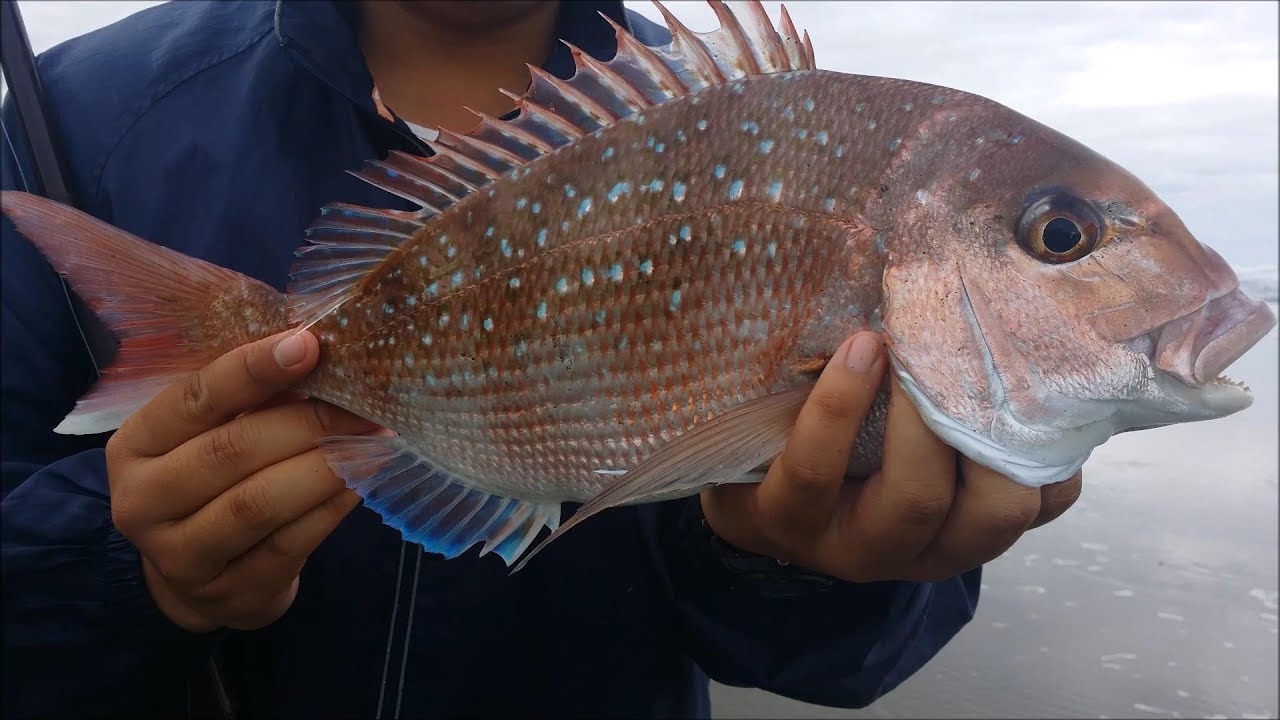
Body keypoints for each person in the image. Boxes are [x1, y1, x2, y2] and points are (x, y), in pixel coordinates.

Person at [0, 1, 1081, 717]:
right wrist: (123, 567)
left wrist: (802, 561)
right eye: (1059, 240)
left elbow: (834, 660)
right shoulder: (77, 119)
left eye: (1060, 242)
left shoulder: (724, 113)